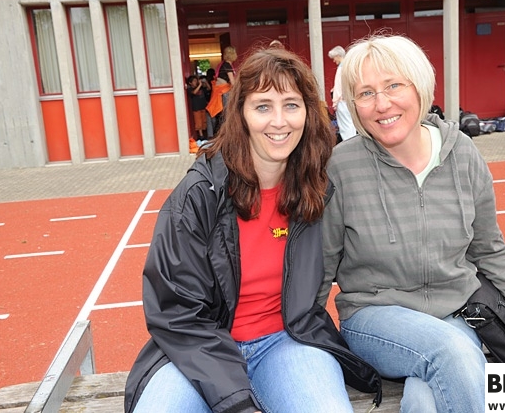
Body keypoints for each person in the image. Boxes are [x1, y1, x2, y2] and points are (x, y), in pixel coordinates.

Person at [317, 34, 505, 413]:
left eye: (393, 85)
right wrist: (306, 343)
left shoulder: (462, 154)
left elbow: (491, 252)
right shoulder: (341, 166)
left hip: (455, 314)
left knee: (425, 399)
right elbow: (320, 265)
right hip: (374, 319)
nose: (382, 104)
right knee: (451, 352)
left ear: (419, 86)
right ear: (353, 105)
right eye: (366, 93)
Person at [124, 47, 381, 413]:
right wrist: (236, 400)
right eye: (263, 106)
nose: (279, 121)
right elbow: (175, 312)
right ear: (241, 114)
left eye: (291, 105)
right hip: (199, 350)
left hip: (287, 340)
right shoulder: (200, 193)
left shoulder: (317, 188)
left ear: (308, 113)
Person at [328, 45, 357, 142]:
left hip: (342, 100)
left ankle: (348, 144)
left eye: (334, 58)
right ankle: (353, 142)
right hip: (349, 99)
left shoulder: (341, 68)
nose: (334, 60)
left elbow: (339, 86)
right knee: (351, 123)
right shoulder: (349, 67)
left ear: (338, 55)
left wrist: (335, 101)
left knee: (345, 125)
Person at [186, 75, 208, 141]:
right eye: (194, 81)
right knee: (198, 122)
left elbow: (209, 88)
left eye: (196, 81)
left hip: (203, 107)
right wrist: (200, 85)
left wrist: (205, 82)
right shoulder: (190, 89)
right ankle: (201, 136)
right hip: (196, 108)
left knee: (204, 121)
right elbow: (194, 92)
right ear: (190, 83)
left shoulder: (201, 87)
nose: (196, 82)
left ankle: (204, 135)